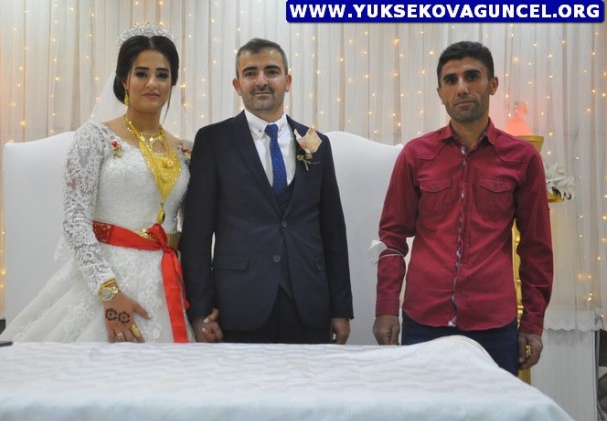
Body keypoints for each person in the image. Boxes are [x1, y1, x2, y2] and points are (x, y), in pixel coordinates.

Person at [0, 23, 201, 343]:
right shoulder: (95, 138)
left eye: (162, 75)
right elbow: (76, 221)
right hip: (106, 280)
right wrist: (108, 292)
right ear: (123, 80)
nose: (152, 83)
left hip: (168, 284)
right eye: (141, 73)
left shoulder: (185, 150)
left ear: (172, 82)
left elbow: (193, 231)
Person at [371, 41, 553, 375]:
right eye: (451, 80)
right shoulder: (415, 155)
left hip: (493, 324)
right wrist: (386, 308)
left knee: (495, 406)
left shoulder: (522, 158)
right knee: (423, 404)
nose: (462, 88)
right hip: (423, 320)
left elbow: (536, 247)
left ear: (492, 84)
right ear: (440, 92)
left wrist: (533, 323)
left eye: (472, 76)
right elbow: (392, 238)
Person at [180, 38, 353, 344]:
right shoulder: (213, 141)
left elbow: (333, 231)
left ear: (288, 81)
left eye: (271, 71)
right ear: (237, 85)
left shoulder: (316, 143)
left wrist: (340, 308)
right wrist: (200, 310)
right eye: (250, 73)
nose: (261, 80)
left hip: (309, 303)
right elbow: (197, 235)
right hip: (238, 304)